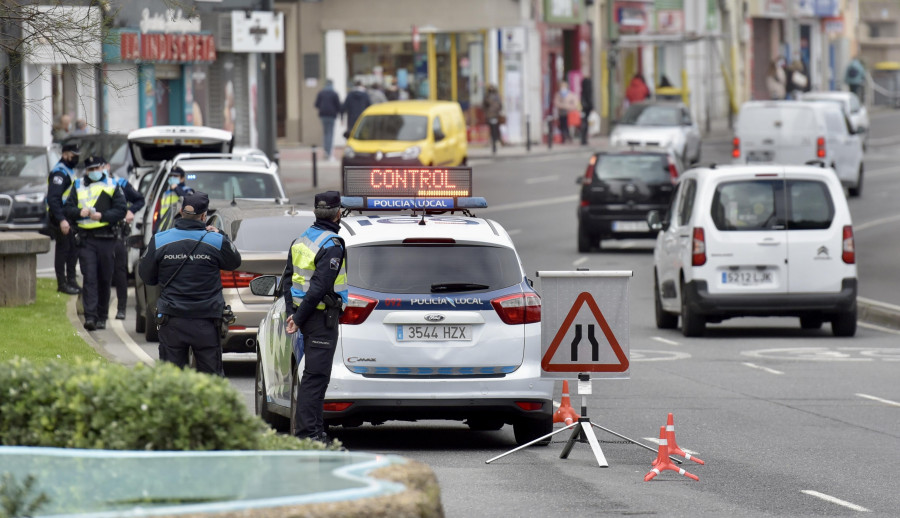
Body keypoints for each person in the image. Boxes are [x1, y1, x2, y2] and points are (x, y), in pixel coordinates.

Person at [139, 192, 241, 376]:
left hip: (172, 320)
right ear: (204, 216)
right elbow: (234, 262)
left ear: (181, 211)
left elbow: (147, 277)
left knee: (172, 381)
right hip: (207, 321)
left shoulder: (160, 240)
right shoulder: (216, 240)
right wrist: (222, 234)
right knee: (211, 381)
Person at [281, 191, 348, 442]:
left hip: (306, 316)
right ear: (338, 213)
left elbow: (287, 281)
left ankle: (317, 432)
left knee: (315, 377)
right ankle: (309, 435)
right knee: (315, 378)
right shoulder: (331, 245)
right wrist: (296, 319)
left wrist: (293, 314)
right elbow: (319, 288)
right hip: (319, 319)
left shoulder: (300, 240)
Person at [64, 155, 127, 331]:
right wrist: (79, 212)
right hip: (87, 239)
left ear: (102, 168)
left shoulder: (113, 184)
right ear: (86, 170)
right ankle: (90, 317)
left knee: (104, 278)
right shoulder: (77, 185)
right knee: (89, 277)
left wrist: (103, 216)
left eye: (96, 169)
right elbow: (67, 209)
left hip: (107, 238)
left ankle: (102, 316)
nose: (93, 172)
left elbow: (121, 210)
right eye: (90, 170)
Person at [109, 161, 145, 320]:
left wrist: (130, 211)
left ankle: (121, 308)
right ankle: (97, 312)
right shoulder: (88, 185)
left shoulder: (120, 183)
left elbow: (139, 200)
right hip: (97, 234)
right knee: (100, 273)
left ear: (108, 168)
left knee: (120, 272)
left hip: (117, 234)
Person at [46, 143, 81, 295]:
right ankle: (62, 283)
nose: (76, 158)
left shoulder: (69, 171)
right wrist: (61, 220)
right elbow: (53, 199)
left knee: (73, 249)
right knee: (63, 250)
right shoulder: (59, 173)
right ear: (65, 154)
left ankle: (71, 281)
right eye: (74, 155)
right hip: (60, 217)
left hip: (68, 217)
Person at [155, 166, 194, 233]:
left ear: (182, 179)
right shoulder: (166, 193)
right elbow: (160, 212)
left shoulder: (188, 190)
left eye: (175, 176)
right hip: (164, 228)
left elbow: (188, 200)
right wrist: (156, 228)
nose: (172, 178)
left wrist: (176, 188)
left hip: (178, 228)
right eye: (171, 176)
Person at [314, 79, 342, 162]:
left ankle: (326, 151)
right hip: (331, 115)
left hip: (323, 115)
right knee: (330, 134)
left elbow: (316, 104)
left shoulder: (321, 93)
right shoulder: (334, 93)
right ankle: (328, 153)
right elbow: (338, 106)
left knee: (325, 133)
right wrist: (340, 114)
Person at [483, 84, 503, 154]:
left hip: (492, 116)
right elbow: (500, 106)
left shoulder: (488, 96)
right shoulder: (495, 96)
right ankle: (495, 142)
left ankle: (494, 142)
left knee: (493, 130)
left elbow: (484, 105)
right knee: (494, 129)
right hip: (493, 115)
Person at [580, 77, 594, 146]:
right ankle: (584, 139)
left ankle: (583, 139)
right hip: (587, 109)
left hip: (584, 109)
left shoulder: (582, 91)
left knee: (584, 123)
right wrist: (591, 107)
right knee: (585, 124)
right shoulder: (588, 91)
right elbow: (589, 100)